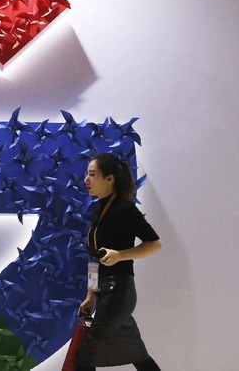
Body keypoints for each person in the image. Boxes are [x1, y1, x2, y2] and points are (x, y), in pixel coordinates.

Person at [74, 153, 163, 371]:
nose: (86, 179)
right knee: (138, 355)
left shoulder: (125, 209)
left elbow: (154, 244)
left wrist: (120, 255)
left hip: (119, 291)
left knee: (85, 355)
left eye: (92, 174)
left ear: (110, 179)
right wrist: (91, 294)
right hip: (107, 292)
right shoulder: (101, 210)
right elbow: (95, 256)